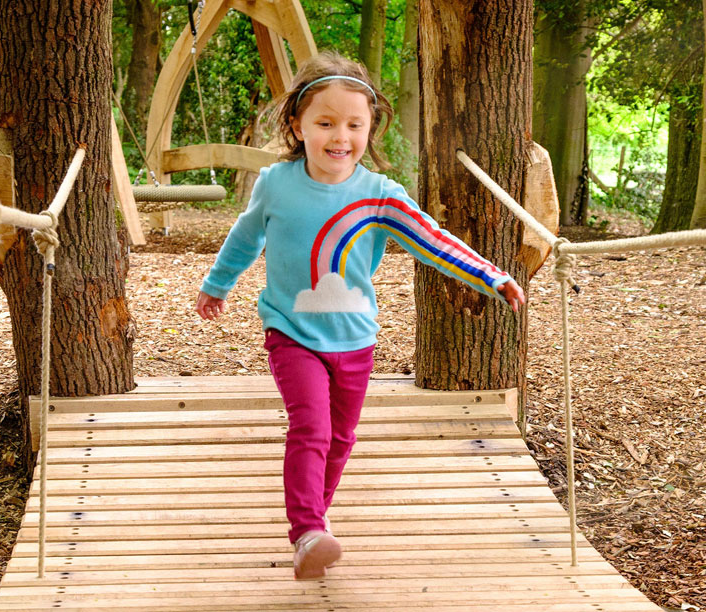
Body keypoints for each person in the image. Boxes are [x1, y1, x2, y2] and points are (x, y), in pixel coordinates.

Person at [194, 52, 526, 580]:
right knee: (311, 427)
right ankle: (305, 529)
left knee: (341, 438)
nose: (339, 136)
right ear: (296, 126)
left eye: (355, 124)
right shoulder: (276, 183)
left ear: (371, 128)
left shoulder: (379, 195)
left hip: (354, 339)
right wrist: (217, 284)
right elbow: (245, 236)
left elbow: (433, 243)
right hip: (291, 331)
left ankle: (314, 529)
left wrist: (490, 275)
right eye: (325, 123)